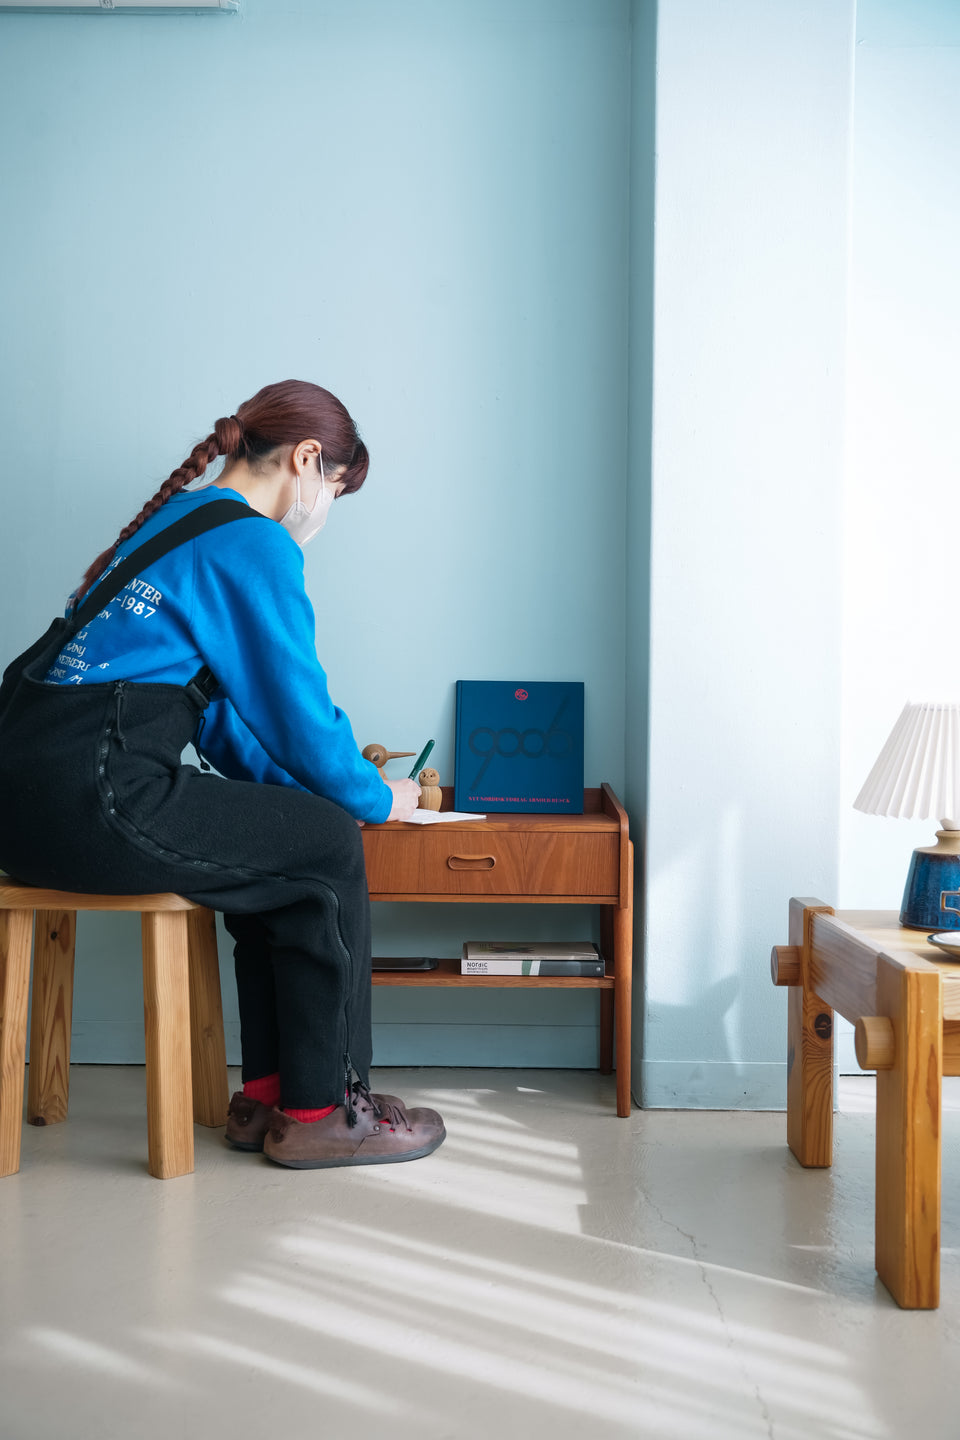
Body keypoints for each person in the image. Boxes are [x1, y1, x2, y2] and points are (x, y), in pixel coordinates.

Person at [0, 379, 445, 1169]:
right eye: (335, 489)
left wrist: (295, 789)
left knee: (280, 836)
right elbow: (298, 714)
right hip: (99, 795)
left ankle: (271, 1097)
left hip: (29, 800)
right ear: (308, 460)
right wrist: (380, 798)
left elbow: (214, 713)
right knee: (332, 844)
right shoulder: (252, 541)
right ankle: (327, 1111)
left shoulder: (173, 522)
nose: (327, 510)